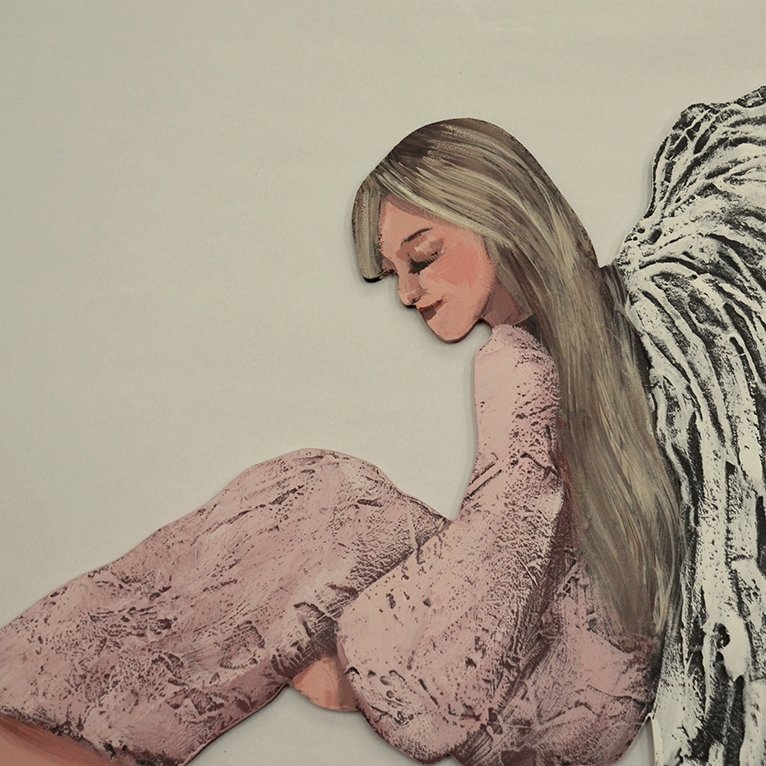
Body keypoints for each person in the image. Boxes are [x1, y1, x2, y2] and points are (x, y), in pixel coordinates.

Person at [0, 119, 680, 766]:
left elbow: (451, 667)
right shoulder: (613, 335)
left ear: (499, 217)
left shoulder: (520, 368)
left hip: (531, 703)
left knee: (320, 496)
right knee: (327, 505)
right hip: (579, 693)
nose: (407, 292)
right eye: (394, 273)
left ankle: (43, 720)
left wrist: (357, 662)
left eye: (423, 257)